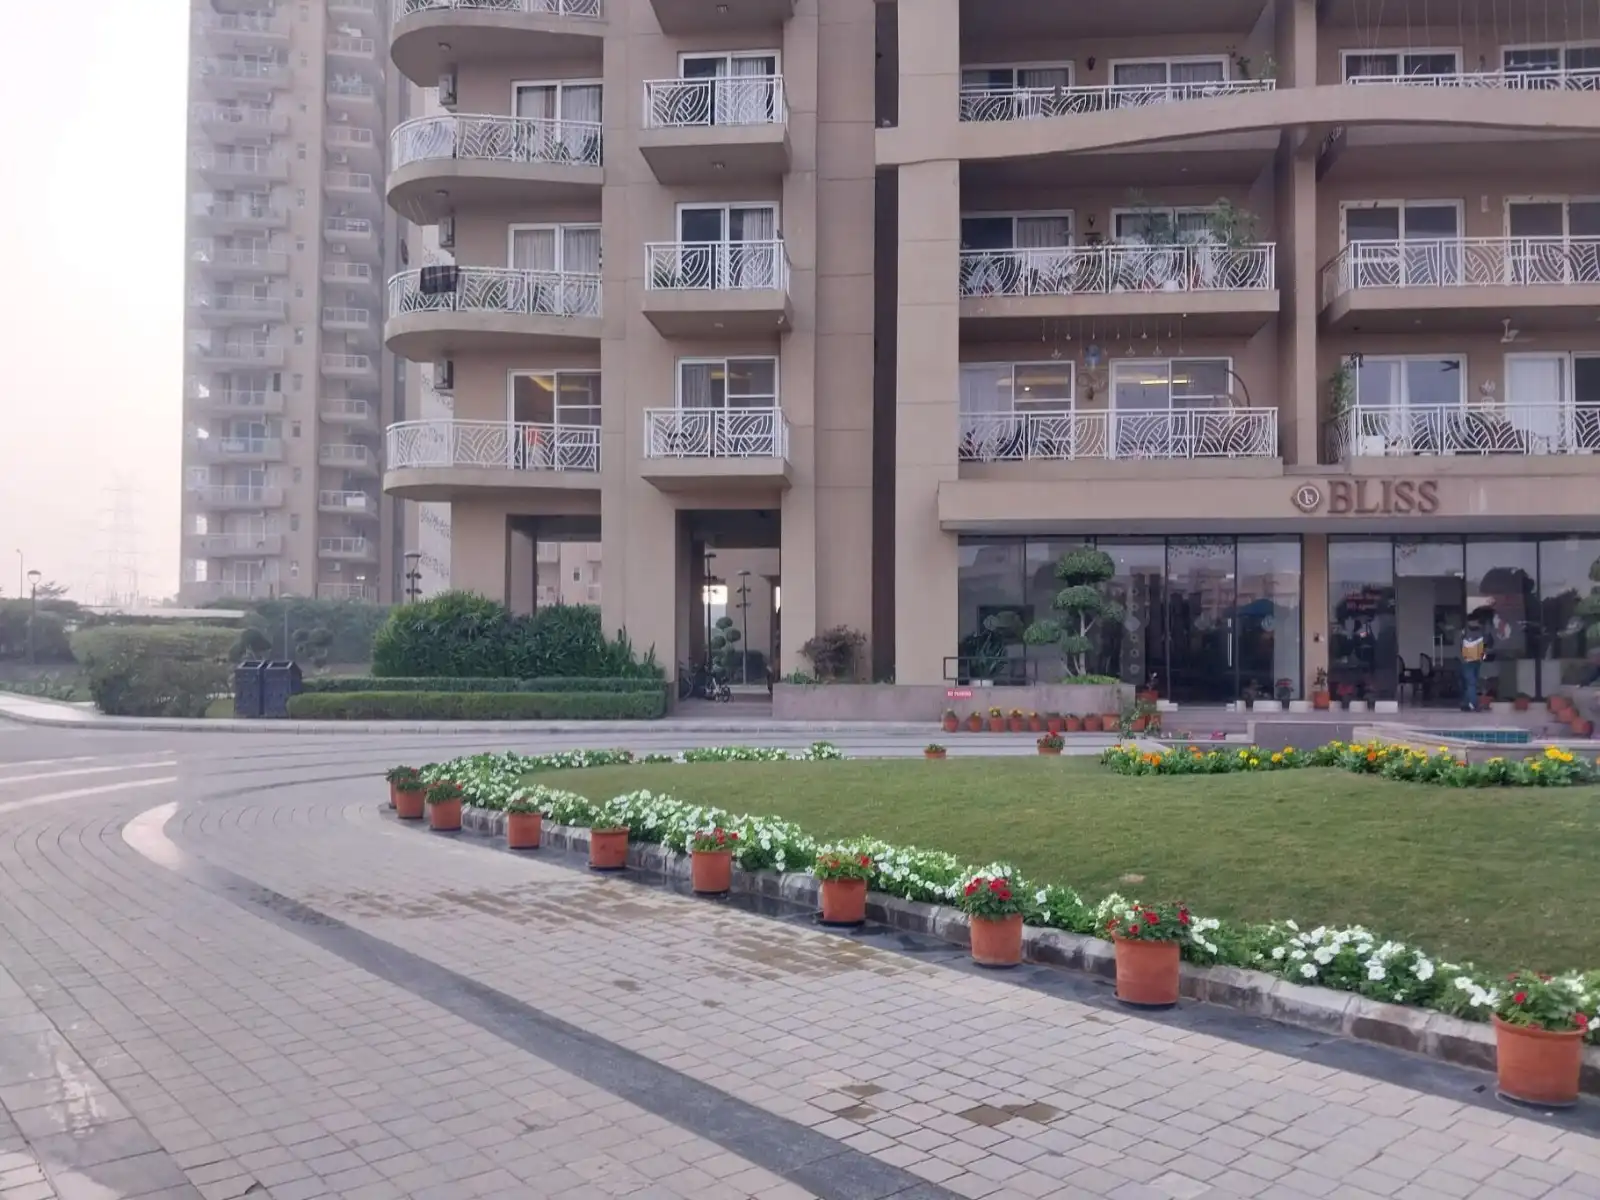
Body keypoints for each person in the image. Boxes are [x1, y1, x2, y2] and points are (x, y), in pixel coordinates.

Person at [1458, 617, 1493, 712]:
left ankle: (1466, 703)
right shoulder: (1481, 632)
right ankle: (1474, 704)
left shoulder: (1464, 632)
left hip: (1468, 660)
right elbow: (1486, 645)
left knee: (1470, 683)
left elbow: (1460, 646)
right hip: (1474, 660)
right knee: (1472, 683)